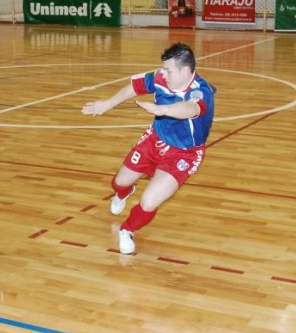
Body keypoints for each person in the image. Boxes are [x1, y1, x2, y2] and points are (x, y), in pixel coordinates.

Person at [81, 43, 215, 254]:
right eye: (163, 69)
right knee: (119, 182)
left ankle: (127, 230)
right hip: (155, 140)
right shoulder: (160, 77)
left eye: (168, 70)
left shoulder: (201, 91)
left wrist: (163, 109)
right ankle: (125, 191)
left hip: (184, 154)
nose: (163, 74)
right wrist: (107, 104)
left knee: (150, 201)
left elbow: (190, 108)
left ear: (185, 71)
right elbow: (133, 87)